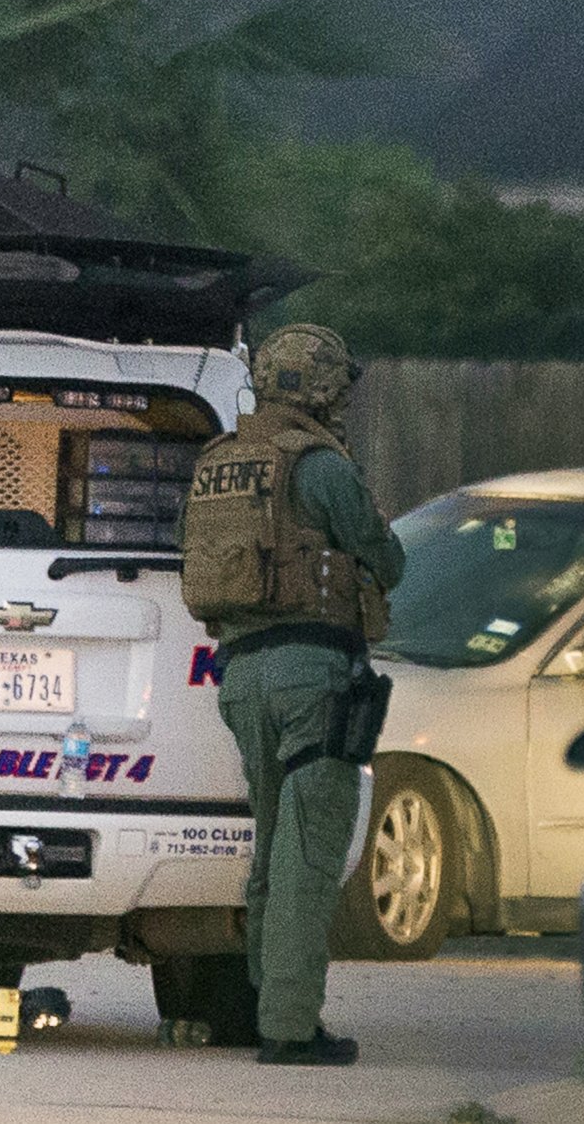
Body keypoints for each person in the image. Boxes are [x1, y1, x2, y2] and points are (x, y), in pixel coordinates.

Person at [180, 323, 405, 1066]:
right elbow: (387, 559)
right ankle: (289, 1027)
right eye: (337, 387)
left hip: (241, 677)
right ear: (318, 390)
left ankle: (260, 1005)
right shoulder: (320, 466)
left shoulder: (220, 462)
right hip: (313, 675)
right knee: (309, 853)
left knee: (273, 847)